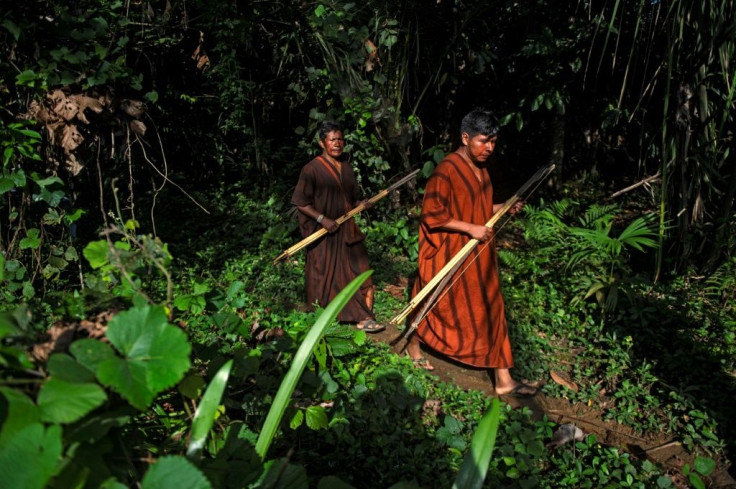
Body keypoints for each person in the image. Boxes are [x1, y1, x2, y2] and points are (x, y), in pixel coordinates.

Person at [406, 108, 537, 398]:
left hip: (478, 257)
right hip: (450, 254)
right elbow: (432, 215)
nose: (489, 147)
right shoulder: (446, 171)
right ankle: (412, 344)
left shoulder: (481, 170)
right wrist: (470, 229)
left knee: (492, 307)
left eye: (493, 141)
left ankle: (503, 379)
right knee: (436, 301)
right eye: (483, 140)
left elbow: (480, 211)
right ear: (465, 138)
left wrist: (503, 208)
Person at [290, 121, 384, 332]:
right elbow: (300, 203)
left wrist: (361, 205)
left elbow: (351, 199)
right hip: (324, 234)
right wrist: (322, 219)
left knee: (359, 271)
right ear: (322, 143)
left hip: (346, 231)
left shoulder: (347, 167)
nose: (338, 143)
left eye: (340, 139)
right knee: (324, 275)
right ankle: (325, 317)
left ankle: (362, 316)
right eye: (333, 139)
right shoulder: (311, 169)